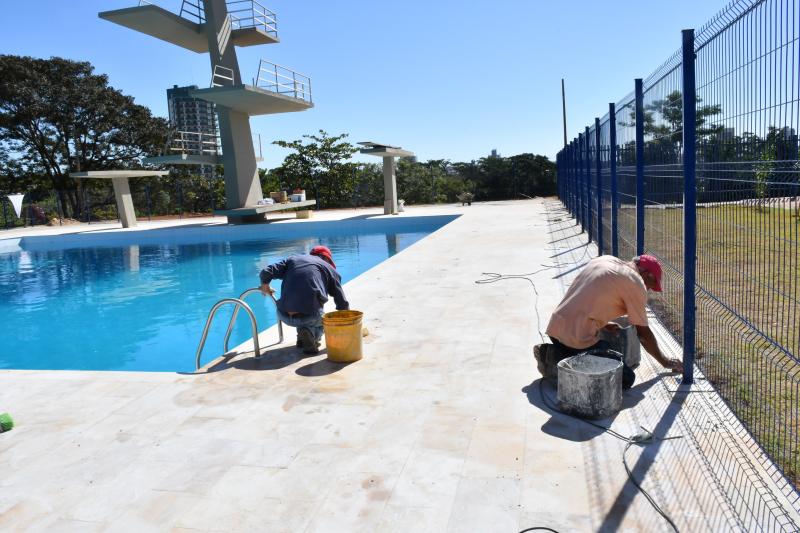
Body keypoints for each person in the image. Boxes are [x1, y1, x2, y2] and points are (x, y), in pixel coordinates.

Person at [535, 254, 682, 389]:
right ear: (646, 274)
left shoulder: (605, 260)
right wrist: (665, 361)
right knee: (625, 379)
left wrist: (604, 323)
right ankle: (559, 362)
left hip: (555, 328)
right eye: (651, 284)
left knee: (599, 350)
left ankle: (559, 353)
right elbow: (643, 333)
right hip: (575, 340)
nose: (648, 289)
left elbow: (586, 297)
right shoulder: (635, 283)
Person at [259, 245, 349, 354]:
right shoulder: (329, 269)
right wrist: (346, 326)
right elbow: (342, 304)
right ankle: (313, 337)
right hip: (309, 316)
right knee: (325, 321)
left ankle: (302, 338)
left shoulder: (292, 260)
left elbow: (266, 271)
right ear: (327, 259)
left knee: (302, 302)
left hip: (283, 315)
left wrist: (265, 285)